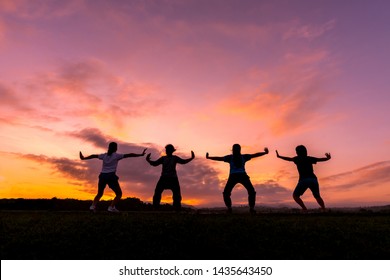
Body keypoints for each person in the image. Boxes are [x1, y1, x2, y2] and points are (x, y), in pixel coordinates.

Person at [79, 142, 147, 212]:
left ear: (109, 148)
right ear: (116, 148)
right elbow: (129, 155)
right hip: (111, 176)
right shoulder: (116, 156)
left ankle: (92, 206)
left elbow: (94, 156)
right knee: (119, 194)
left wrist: (84, 158)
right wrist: (140, 154)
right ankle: (111, 207)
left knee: (99, 193)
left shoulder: (104, 156)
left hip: (102, 176)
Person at [206, 144, 269, 214]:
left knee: (248, 191)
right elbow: (254, 155)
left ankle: (236, 208)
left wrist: (209, 157)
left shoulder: (234, 157)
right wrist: (209, 157)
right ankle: (247, 208)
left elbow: (255, 155)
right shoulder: (240, 157)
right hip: (239, 176)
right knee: (249, 191)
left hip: (237, 176)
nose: (236, 150)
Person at [276, 145, 331, 212]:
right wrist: (327, 158)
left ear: (297, 152)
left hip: (304, 180)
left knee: (295, 196)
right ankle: (323, 209)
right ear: (305, 151)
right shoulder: (309, 158)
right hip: (313, 179)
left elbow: (289, 159)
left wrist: (279, 156)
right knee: (317, 196)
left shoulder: (297, 159)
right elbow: (319, 159)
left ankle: (304, 209)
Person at [146, 144, 195, 212]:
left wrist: (191, 158)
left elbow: (183, 161)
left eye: (168, 150)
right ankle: (156, 208)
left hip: (172, 178)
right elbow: (155, 163)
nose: (166, 151)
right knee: (157, 192)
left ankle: (177, 209)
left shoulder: (174, 158)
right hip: (165, 178)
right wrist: (148, 160)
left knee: (176, 195)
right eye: (166, 150)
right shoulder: (163, 158)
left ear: (171, 151)